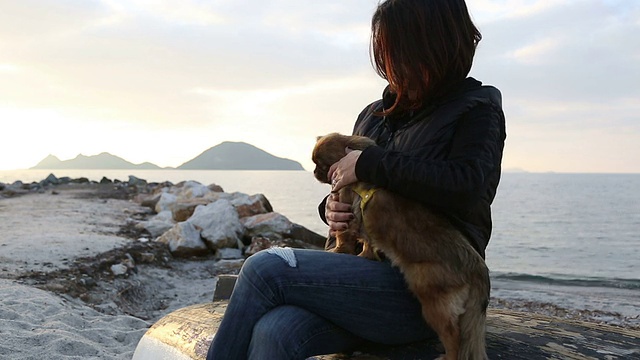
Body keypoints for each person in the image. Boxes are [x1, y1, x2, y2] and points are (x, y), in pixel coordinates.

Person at [206, 0, 505, 358]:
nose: (390, 66)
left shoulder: (477, 107)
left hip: (427, 286)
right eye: (384, 53)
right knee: (276, 331)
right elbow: (354, 190)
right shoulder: (373, 116)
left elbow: (468, 186)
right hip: (361, 277)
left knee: (265, 268)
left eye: (396, 52)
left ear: (434, 44)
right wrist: (331, 209)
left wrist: (370, 164)